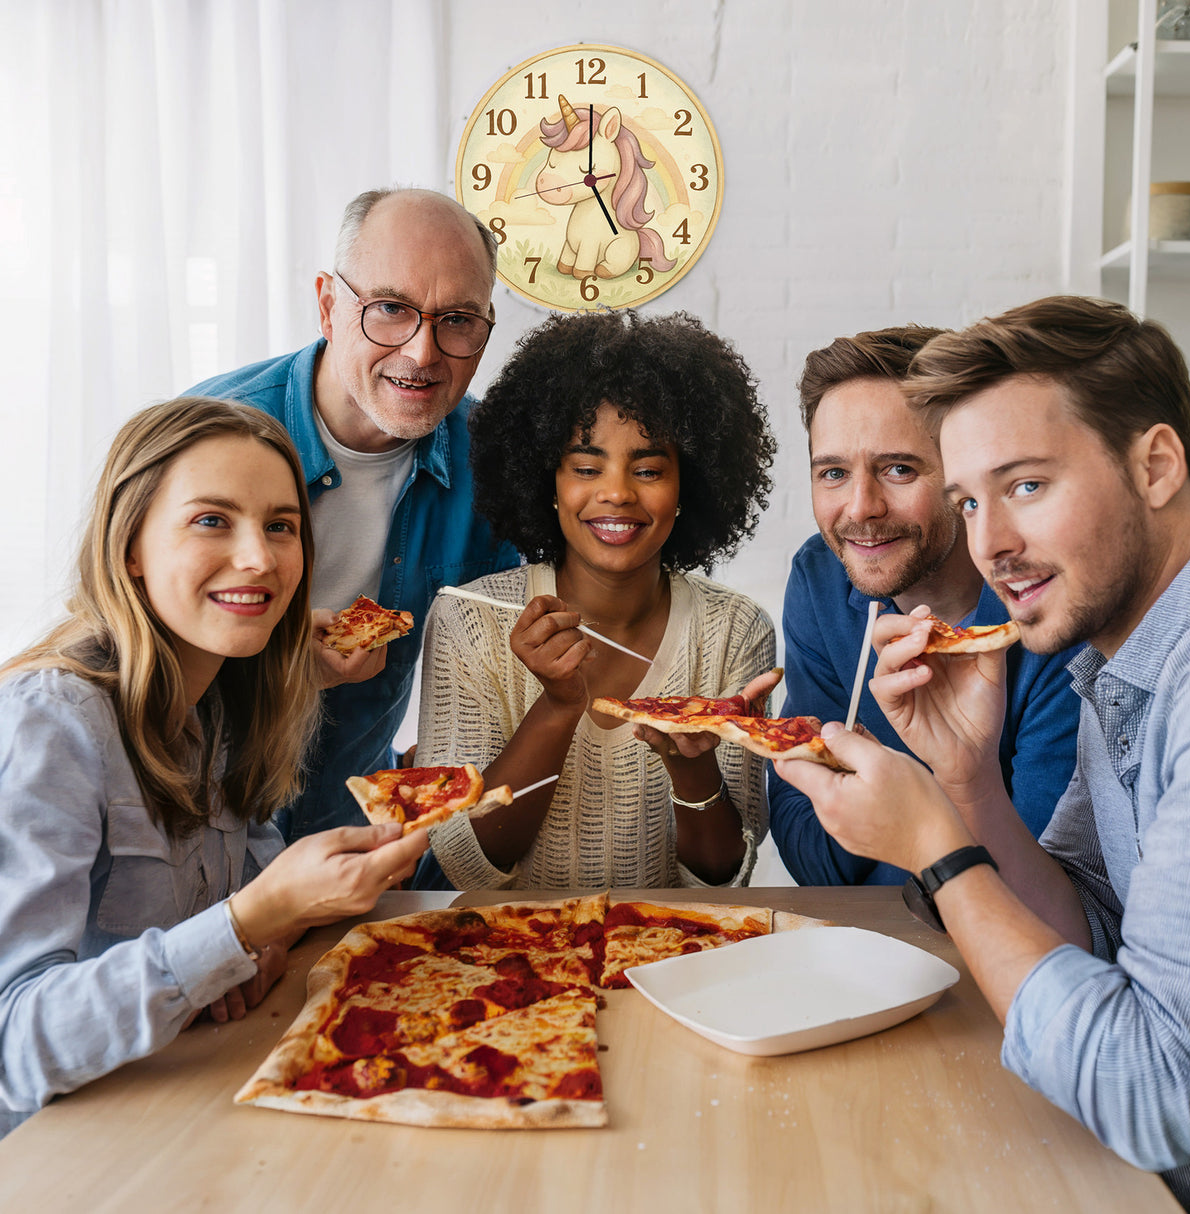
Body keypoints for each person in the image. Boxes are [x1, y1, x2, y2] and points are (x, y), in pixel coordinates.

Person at [776, 297, 1190, 1212]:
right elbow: (1088, 929)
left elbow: (1159, 1097)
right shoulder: (1119, 649)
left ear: (1157, 465)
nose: (991, 545)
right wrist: (970, 783)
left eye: (1024, 486)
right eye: (971, 500)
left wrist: (941, 847)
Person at [0, 398, 428, 1137]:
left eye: (280, 526)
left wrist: (253, 944)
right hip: (58, 1154)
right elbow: (12, 1045)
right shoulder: (50, 720)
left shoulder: (224, 694)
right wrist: (253, 920)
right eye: (211, 520)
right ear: (130, 545)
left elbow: (242, 897)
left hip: (180, 1103)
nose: (260, 558)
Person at [189, 188, 518, 843]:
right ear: (327, 304)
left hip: (354, 842)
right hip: (191, 838)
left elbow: (499, 673)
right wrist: (280, 663)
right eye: (391, 309)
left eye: (457, 319)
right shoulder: (201, 437)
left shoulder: (498, 466)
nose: (423, 353)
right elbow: (119, 662)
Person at [414, 310, 780, 890]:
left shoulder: (736, 629)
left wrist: (692, 767)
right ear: (547, 483)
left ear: (690, 486)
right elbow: (467, 864)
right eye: (586, 467)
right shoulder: (470, 618)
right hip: (508, 964)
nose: (616, 492)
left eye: (650, 469)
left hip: (674, 962)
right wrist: (558, 705)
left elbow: (723, 878)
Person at [768, 325, 1080, 885]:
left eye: (899, 469)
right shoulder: (819, 577)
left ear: (961, 478)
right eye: (834, 473)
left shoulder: (1049, 610)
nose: (861, 508)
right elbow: (807, 853)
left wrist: (888, 802)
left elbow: (1044, 882)